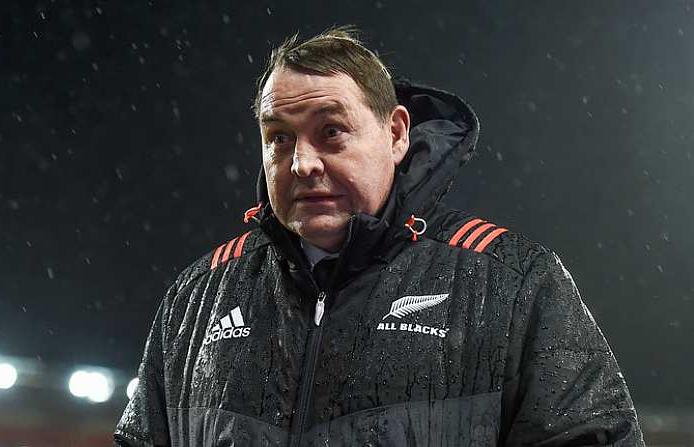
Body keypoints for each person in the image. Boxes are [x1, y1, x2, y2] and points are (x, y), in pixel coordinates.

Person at [115, 26, 644, 446]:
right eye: (279, 138)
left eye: (331, 132)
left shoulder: (513, 284)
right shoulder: (197, 298)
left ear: (395, 134)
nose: (302, 163)